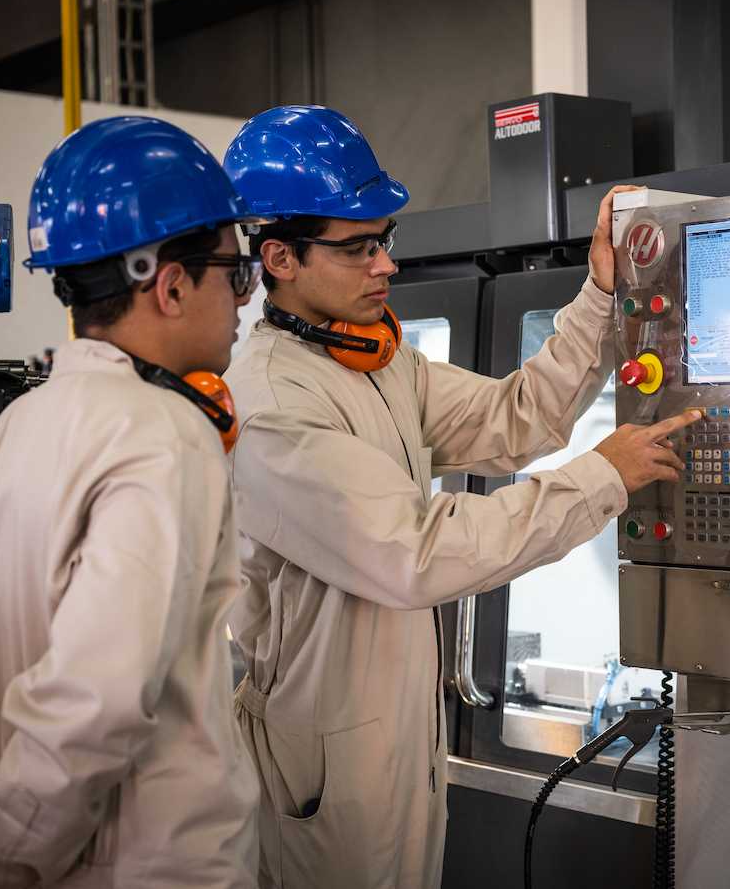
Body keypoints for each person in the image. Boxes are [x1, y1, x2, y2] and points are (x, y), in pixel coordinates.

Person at [221, 105, 699, 889]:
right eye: (359, 247)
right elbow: (415, 552)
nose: (385, 265)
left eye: (385, 239)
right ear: (280, 256)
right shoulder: (273, 404)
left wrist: (600, 293)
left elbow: (517, 417)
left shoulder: (379, 365)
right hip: (321, 774)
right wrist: (601, 475)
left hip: (397, 749)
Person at [0, 116, 263, 887]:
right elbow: (96, 700)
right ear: (170, 285)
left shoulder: (11, 432)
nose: (243, 299)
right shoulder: (165, 435)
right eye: (235, 271)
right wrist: (2, 861)